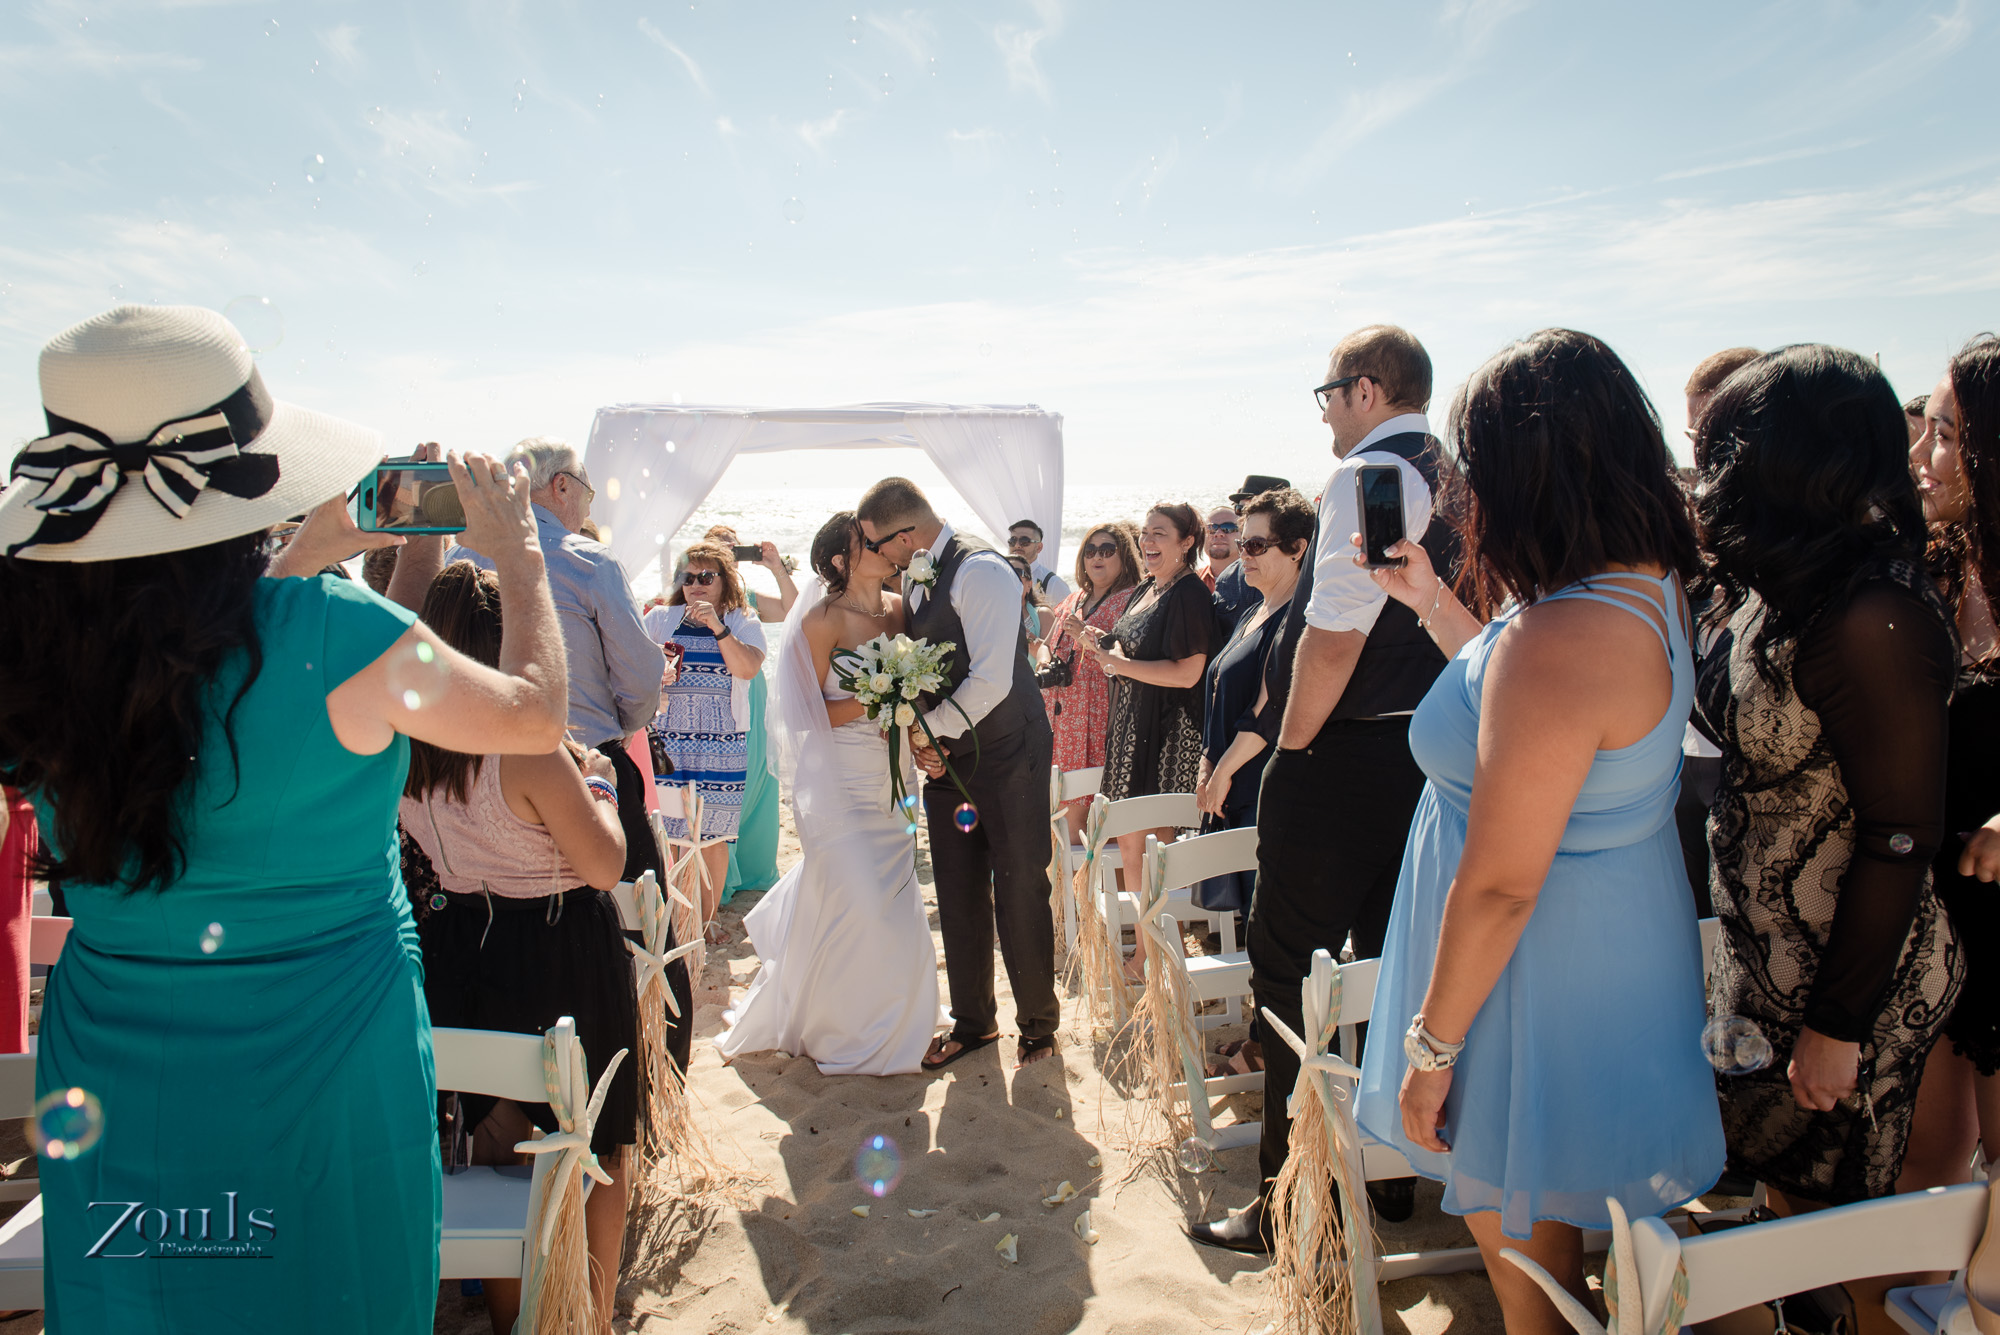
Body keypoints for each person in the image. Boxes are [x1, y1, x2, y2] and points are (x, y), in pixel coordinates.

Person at [0, 304, 570, 1331]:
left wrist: (309, 550)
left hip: (118, 1065)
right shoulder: (338, 634)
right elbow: (533, 714)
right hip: (329, 1057)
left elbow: (190, 675)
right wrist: (522, 558)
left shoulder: (32, 649)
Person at [1351, 329, 1725, 1332]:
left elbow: (1499, 883)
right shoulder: (1641, 586)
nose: (1462, 489)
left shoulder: (1556, 635)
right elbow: (1540, 728)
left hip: (1522, 982)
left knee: (1534, 1289)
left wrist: (1431, 1048)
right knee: (1561, 1261)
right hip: (1599, 954)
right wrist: (1432, 602)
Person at [1189, 324, 1444, 1253]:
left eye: (1329, 393)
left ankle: (1287, 1200)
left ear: (1366, 389)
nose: (1326, 412)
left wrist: (1291, 753)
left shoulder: (1366, 475)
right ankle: (1391, 1177)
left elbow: (1334, 637)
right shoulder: (1454, 474)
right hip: (1425, 756)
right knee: (1390, 966)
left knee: (1288, 976)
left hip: (1340, 760)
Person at [1697, 344, 1961, 1211]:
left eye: (1729, 451)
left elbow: (1901, 834)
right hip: (1772, 977)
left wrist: (1836, 1024)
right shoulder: (1786, 586)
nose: (1714, 473)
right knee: (1791, 1230)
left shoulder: (1873, 611)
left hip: (1857, 999)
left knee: (1855, 1244)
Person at [398, 561, 636, 1335]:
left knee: (500, 1148)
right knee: (597, 1146)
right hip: (562, 949)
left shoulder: (405, 746)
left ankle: (517, 1319)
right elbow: (605, 863)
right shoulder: (527, 750)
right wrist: (600, 784)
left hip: (465, 949)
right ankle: (592, 1317)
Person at [424, 436, 695, 1067]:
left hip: (466, 774)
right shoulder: (588, 561)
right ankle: (656, 1077)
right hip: (582, 765)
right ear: (562, 486)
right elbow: (640, 677)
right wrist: (612, 736)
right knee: (646, 930)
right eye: (587, 492)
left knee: (495, 922)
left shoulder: (459, 558)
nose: (588, 505)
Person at [716, 513, 941, 1074]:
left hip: (892, 777)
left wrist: (914, 725)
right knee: (856, 896)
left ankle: (896, 1019)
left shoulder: (901, 609)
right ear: (842, 559)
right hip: (840, 779)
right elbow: (802, 713)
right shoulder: (820, 619)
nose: (885, 546)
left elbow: (918, 691)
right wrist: (876, 698)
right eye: (868, 541)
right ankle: (841, 1029)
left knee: (892, 901)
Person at [857, 479, 1061, 1070]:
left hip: (1009, 751)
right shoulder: (914, 576)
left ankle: (1038, 1026)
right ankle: (975, 1023)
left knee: (1020, 885)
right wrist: (926, 735)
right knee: (955, 885)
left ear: (904, 536)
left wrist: (927, 730)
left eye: (877, 544)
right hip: (950, 757)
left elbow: (993, 678)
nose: (876, 555)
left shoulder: (982, 572)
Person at [1900, 337, 2000, 1194]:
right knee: (1922, 1175)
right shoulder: (1930, 567)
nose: (1920, 455)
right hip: (1931, 911)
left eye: (1944, 435)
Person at [1084, 501, 1217, 981]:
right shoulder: (1146, 587)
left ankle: (1151, 956)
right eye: (1144, 532)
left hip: (1165, 735)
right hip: (1130, 727)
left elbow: (1189, 672)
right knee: (1130, 845)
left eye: (1160, 533)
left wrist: (1119, 664)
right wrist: (1102, 644)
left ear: (1187, 542)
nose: (1147, 541)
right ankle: (1150, 949)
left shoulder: (1189, 594)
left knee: (1151, 851)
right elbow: (1130, 650)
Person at [1192, 489, 1313, 949]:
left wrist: (1221, 772)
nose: (1244, 554)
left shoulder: (1300, 620)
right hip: (1231, 787)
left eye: (1257, 545)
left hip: (1262, 793)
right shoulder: (1251, 612)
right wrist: (1207, 765)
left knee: (1269, 934)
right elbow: (1219, 696)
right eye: (1243, 543)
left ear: (1298, 549)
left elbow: (1269, 710)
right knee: (1246, 931)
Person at [643, 542, 769, 942]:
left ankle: (706, 920)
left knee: (713, 837)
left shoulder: (741, 620)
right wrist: (655, 669)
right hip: (669, 741)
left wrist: (718, 627)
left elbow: (747, 669)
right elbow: (632, 668)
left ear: (724, 581)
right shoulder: (660, 619)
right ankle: (674, 921)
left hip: (722, 743)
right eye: (688, 577)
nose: (696, 585)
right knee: (670, 834)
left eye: (706, 577)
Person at [1677, 348, 1760, 919]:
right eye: (1694, 434)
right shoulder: (1691, 525)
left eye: (1716, 432)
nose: (1701, 452)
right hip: (1688, 766)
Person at [699, 524, 792, 900]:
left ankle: (751, 868)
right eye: (720, 549)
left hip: (753, 694)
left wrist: (776, 567)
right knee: (727, 784)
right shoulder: (694, 598)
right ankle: (720, 875)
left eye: (733, 550)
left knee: (758, 775)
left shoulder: (747, 600)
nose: (728, 556)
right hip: (718, 699)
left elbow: (791, 609)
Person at [1042, 523, 1141, 844]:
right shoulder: (1073, 599)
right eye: (1090, 550)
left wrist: (1088, 638)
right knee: (1058, 815)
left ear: (1125, 557)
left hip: (1098, 719)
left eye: (1107, 550)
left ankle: (1090, 877)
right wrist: (1043, 658)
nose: (1097, 557)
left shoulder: (1132, 601)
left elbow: (1129, 660)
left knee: (1092, 822)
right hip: (1061, 721)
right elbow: (1047, 643)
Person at [1216, 475, 1289, 632]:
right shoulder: (1228, 579)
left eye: (1252, 509)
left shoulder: (1313, 577)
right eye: (1240, 509)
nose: (1244, 518)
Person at [1008, 518, 1071, 604]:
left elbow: (1069, 611)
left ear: (1039, 547)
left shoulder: (1053, 583)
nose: (1017, 545)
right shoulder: (1001, 575)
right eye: (1013, 540)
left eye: (1024, 541)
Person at [1007, 551, 1053, 643]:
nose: (1012, 576)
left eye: (1017, 572)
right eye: (1006, 571)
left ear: (1029, 585)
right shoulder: (989, 614)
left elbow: (1048, 650)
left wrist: (1024, 634)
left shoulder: (1043, 615)